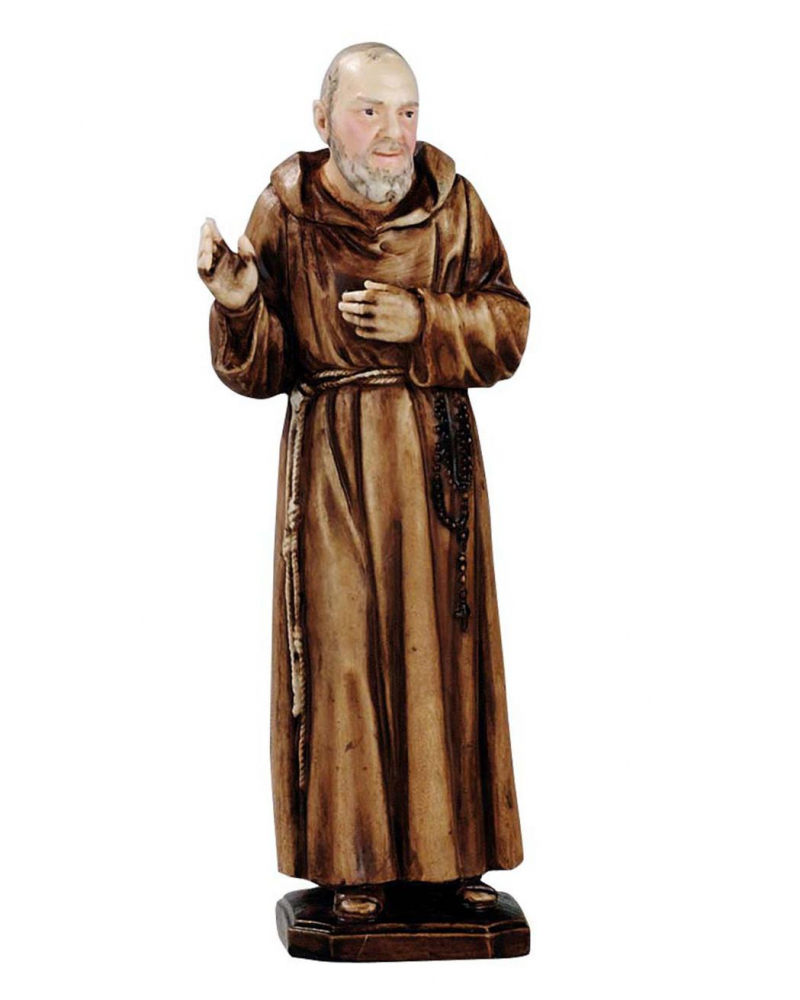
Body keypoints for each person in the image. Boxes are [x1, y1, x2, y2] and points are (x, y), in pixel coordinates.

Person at [197, 42, 530, 923]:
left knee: (449, 656)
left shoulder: (455, 206)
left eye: (408, 112)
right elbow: (264, 368)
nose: (393, 134)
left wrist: (424, 319)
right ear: (323, 119)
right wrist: (238, 303)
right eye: (370, 111)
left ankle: (453, 860)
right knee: (345, 651)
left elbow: (508, 325)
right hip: (335, 465)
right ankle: (355, 860)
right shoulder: (287, 210)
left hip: (435, 463)